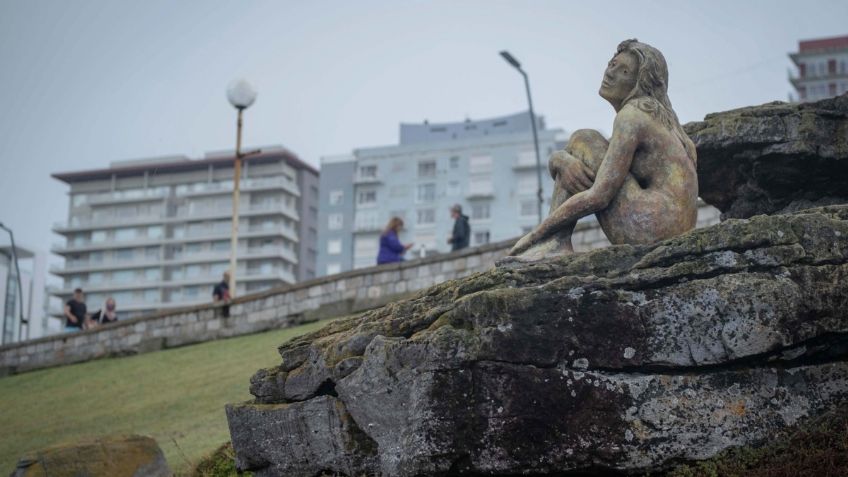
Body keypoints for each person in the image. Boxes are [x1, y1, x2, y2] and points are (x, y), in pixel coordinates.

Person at [509, 39, 698, 258]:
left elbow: (600, 196)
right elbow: (608, 163)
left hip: (649, 227)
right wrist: (559, 160)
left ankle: (554, 241)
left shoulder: (632, 117)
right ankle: (555, 241)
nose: (610, 74)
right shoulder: (663, 119)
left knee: (584, 138)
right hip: (674, 228)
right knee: (579, 148)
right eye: (612, 64)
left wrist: (534, 235)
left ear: (639, 83)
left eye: (624, 71)